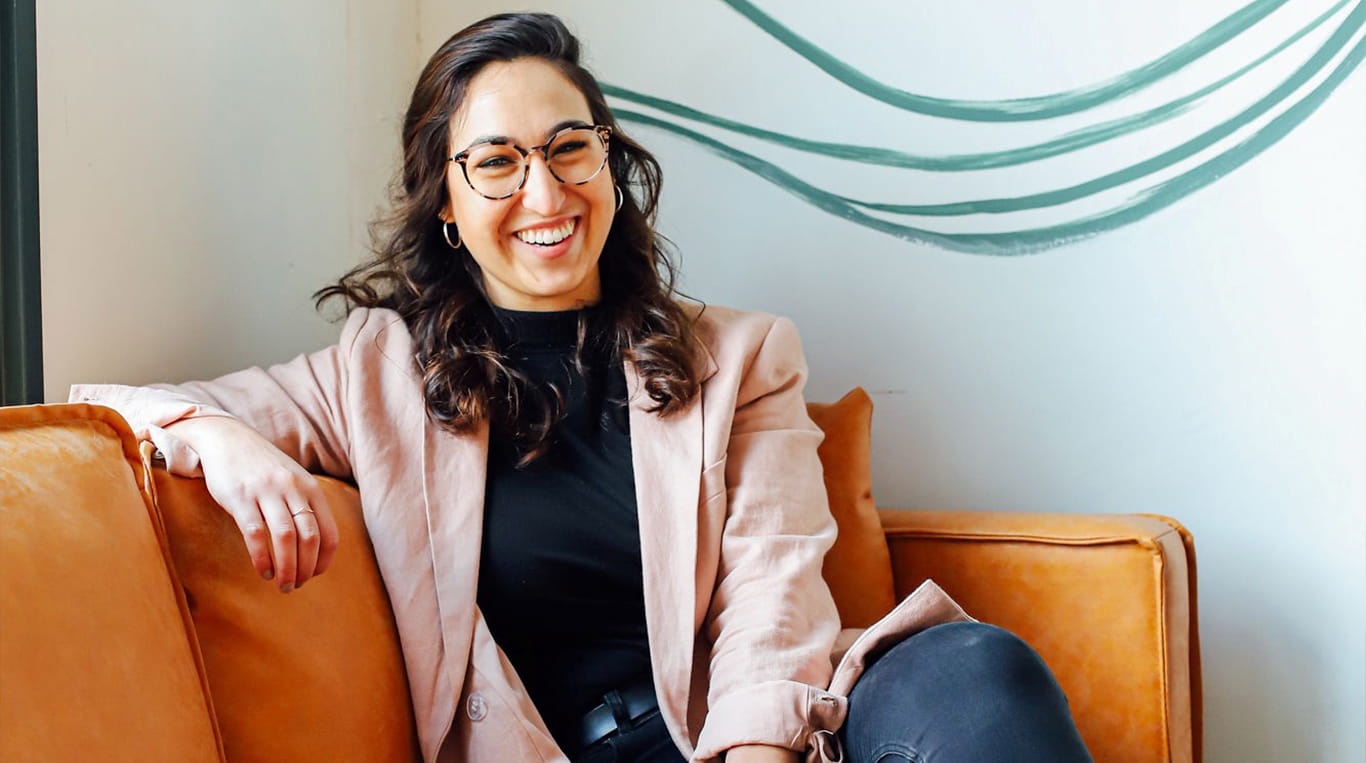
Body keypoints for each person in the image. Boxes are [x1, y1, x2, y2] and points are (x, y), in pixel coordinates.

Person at [72, 13, 1092, 763]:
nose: (546, 192)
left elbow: (773, 587)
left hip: (761, 739)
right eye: (497, 163)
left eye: (570, 148)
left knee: (974, 670)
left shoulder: (740, 358)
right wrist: (219, 434)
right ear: (446, 207)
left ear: (610, 164)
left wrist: (754, 755)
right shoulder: (377, 376)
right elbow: (102, 401)